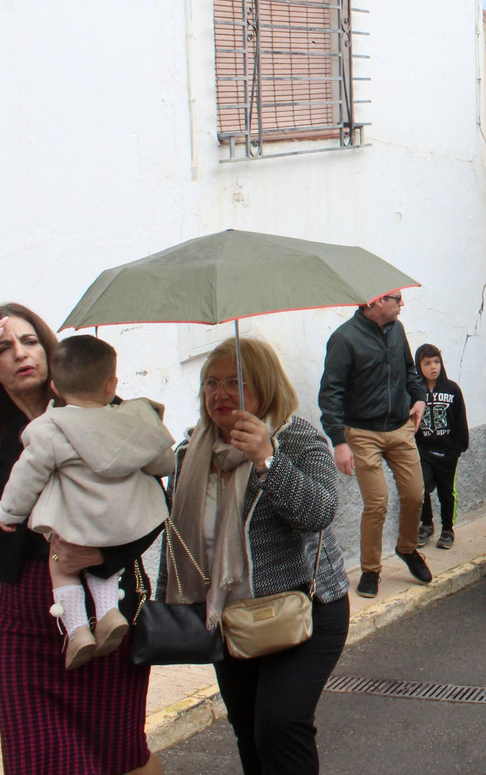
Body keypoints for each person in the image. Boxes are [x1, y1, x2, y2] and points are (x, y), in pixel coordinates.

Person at [0, 305, 160, 774]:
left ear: (49, 350)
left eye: (30, 341)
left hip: (106, 610)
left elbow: (154, 504)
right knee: (38, 761)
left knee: (121, 759)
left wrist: (102, 553)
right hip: (23, 618)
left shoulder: (106, 412)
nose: (20, 354)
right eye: (1, 348)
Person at [163, 337, 349, 775]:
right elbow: (179, 540)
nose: (219, 393)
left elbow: (319, 512)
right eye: (210, 382)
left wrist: (268, 458)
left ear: (266, 386)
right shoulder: (191, 454)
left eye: (235, 382)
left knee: (280, 726)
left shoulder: (298, 438)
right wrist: (171, 609)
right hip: (231, 615)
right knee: (247, 728)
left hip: (303, 607)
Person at [0, 335, 174, 669]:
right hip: (122, 525)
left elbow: (26, 476)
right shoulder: (133, 420)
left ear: (55, 388)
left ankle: (77, 630)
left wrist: (9, 512)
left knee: (61, 562)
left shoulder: (48, 428)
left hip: (74, 523)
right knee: (102, 562)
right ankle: (107, 613)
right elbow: (163, 464)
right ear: (111, 385)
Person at [318, 291, 431, 599]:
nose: (402, 303)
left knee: (414, 494)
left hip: (400, 428)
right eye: (397, 298)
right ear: (379, 301)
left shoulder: (397, 330)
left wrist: (419, 398)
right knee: (377, 503)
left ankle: (407, 549)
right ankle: (371, 570)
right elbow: (330, 394)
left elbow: (410, 370)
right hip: (362, 433)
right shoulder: (344, 338)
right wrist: (339, 442)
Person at [413, 344, 469, 551]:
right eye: (427, 363)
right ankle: (427, 524)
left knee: (446, 492)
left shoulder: (452, 389)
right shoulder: (414, 391)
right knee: (419, 488)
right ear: (419, 366)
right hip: (424, 452)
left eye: (436, 362)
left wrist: (457, 449)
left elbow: (460, 420)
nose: (433, 367)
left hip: (447, 453)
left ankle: (447, 529)